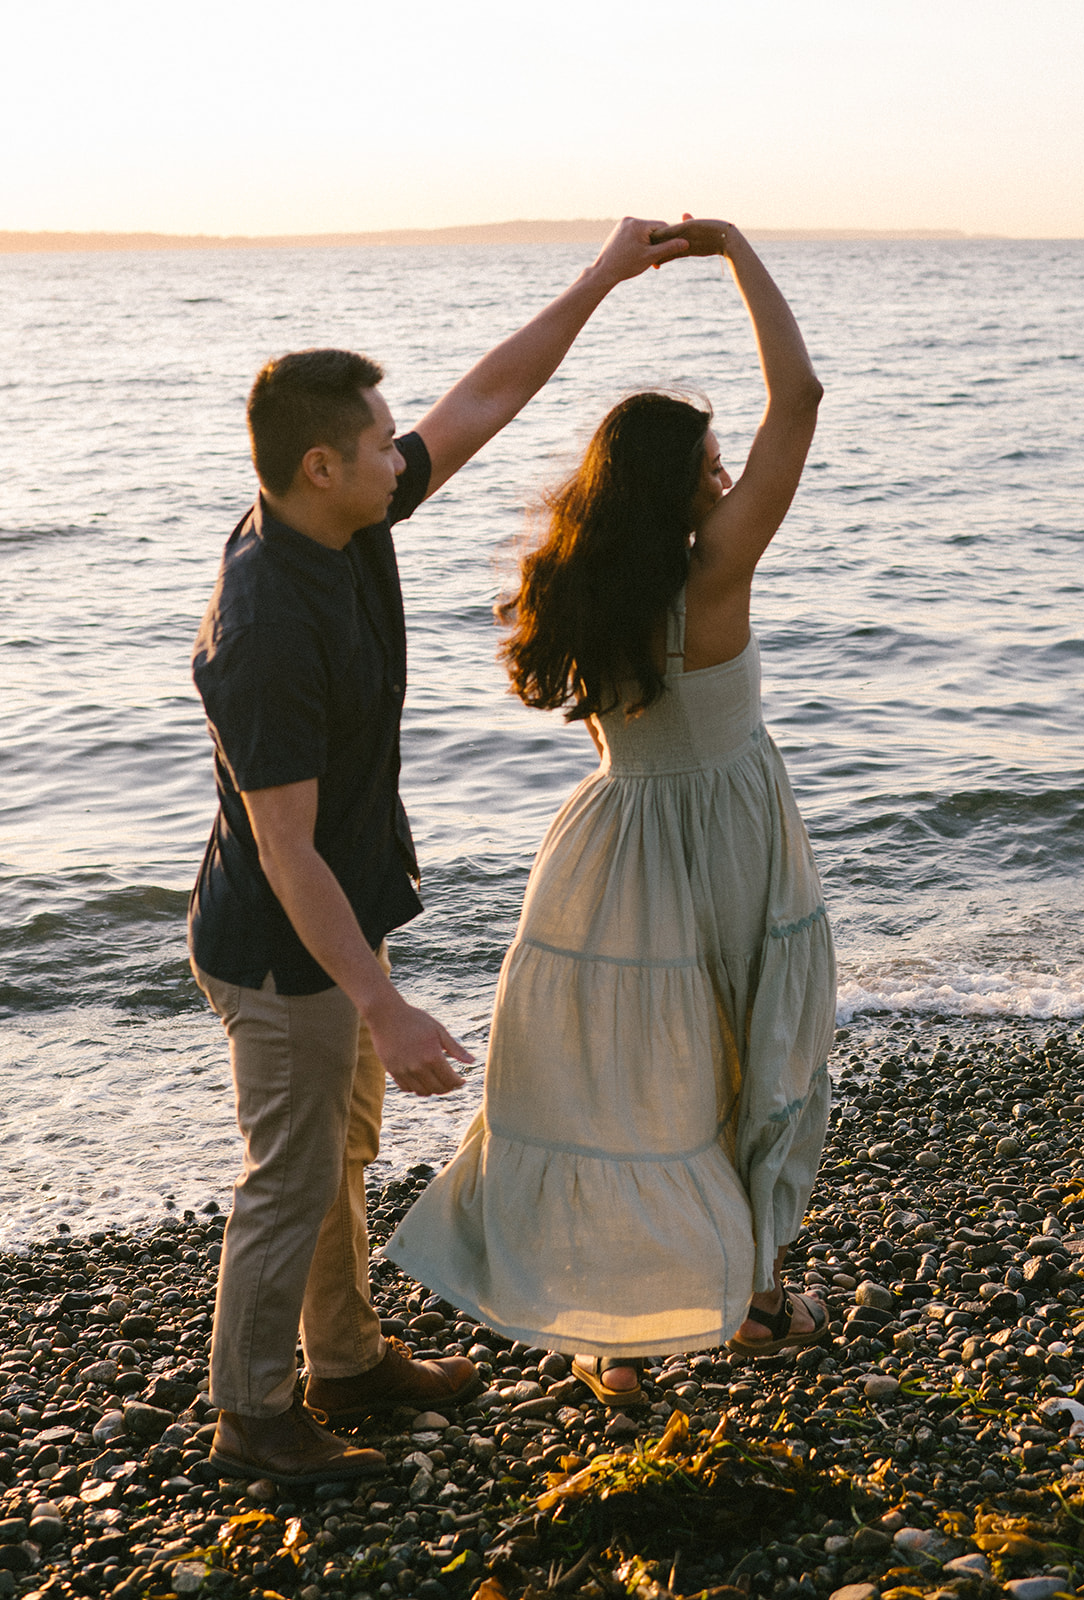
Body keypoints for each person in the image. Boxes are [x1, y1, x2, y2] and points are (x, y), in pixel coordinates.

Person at [188, 218, 693, 1484]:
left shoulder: (340, 522)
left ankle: (347, 1361)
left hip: (336, 919)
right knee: (290, 1173)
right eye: (377, 442)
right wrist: (385, 1002)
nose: (399, 451)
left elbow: (485, 397)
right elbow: (284, 846)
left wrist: (603, 274)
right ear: (319, 465)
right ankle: (253, 1416)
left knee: (336, 1152)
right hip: (282, 942)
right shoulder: (266, 625)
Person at [386, 217, 837, 1405]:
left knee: (629, 1084)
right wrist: (736, 249)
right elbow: (801, 395)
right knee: (749, 1060)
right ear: (679, 484)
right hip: (728, 835)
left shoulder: (584, 580)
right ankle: (738, 1292)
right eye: (709, 462)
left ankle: (614, 1332)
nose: (728, 473)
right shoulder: (714, 571)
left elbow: (778, 417)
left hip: (610, 844)